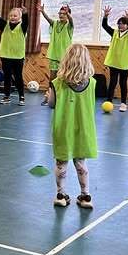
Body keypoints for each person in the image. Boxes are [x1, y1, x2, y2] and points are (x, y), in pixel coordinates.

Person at [46, 43, 98, 209]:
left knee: (61, 163)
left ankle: (61, 195)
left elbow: (52, 105)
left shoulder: (57, 83)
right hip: (83, 128)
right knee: (81, 163)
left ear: (66, 61)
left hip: (63, 128)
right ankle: (85, 196)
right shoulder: (93, 83)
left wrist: (48, 96)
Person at [0, 3, 33, 106]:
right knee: (7, 77)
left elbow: (26, 22)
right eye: (11, 16)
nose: (12, 17)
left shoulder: (22, 27)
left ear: (19, 17)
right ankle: (6, 96)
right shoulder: (5, 25)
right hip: (5, 55)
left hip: (18, 56)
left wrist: (25, 13)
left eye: (15, 16)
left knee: (18, 77)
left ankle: (21, 96)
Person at [101, 6, 128, 112]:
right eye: (119, 23)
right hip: (114, 62)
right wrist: (105, 16)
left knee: (123, 83)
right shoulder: (114, 33)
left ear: (127, 25)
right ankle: (109, 101)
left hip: (124, 64)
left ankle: (123, 103)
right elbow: (104, 25)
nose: (120, 25)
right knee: (112, 82)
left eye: (123, 23)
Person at [40, 2, 74, 102]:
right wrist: (43, 12)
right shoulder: (55, 24)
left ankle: (64, 98)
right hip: (54, 56)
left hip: (65, 57)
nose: (61, 15)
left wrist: (68, 14)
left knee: (65, 78)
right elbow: (49, 20)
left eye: (64, 13)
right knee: (52, 78)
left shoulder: (69, 26)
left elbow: (71, 20)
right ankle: (49, 97)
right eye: (60, 13)